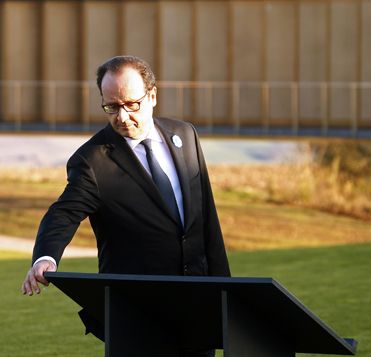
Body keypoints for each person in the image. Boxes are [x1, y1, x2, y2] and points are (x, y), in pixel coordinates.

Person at [21, 55, 230, 357]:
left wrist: (226, 295)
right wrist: (46, 257)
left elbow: (207, 220)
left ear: (153, 96)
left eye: (132, 104)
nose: (122, 116)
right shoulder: (92, 161)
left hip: (197, 310)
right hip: (136, 319)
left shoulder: (185, 135)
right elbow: (63, 213)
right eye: (112, 107)